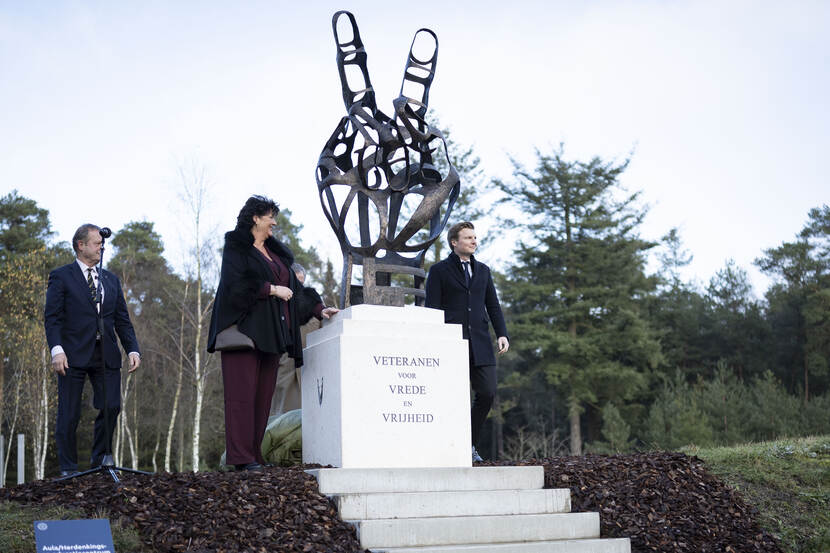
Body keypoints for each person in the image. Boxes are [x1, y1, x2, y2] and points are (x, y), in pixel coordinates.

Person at [207, 195, 338, 471]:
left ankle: (255, 456)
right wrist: (271, 289)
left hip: (271, 334)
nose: (274, 223)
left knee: (262, 400)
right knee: (241, 399)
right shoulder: (236, 247)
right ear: (255, 218)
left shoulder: (275, 253)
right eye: (270, 217)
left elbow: (295, 291)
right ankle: (240, 458)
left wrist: (318, 308)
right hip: (243, 332)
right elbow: (233, 285)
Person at [44, 224, 141, 477]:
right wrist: (56, 350)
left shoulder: (111, 279)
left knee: (112, 407)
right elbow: (52, 317)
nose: (102, 247)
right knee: (69, 413)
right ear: (81, 245)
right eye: (97, 243)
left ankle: (100, 464)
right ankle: (68, 469)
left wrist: (132, 349)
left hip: (106, 352)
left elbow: (122, 320)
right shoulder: (61, 276)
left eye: (102, 243)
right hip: (71, 354)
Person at [425, 221, 509, 463]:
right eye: (468, 237)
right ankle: (449, 448)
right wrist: (435, 341)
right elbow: (432, 309)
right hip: (451, 344)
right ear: (454, 242)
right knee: (453, 399)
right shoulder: (439, 271)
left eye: (475, 237)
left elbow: (493, 305)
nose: (474, 241)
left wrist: (502, 333)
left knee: (487, 393)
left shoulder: (483, 270)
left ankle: (468, 442)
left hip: (481, 343)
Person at [269, 262, 323, 417]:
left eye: (301, 281)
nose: (298, 285)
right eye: (295, 280)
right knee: (281, 415)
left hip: (309, 369)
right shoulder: (274, 304)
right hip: (283, 369)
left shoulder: (314, 305)